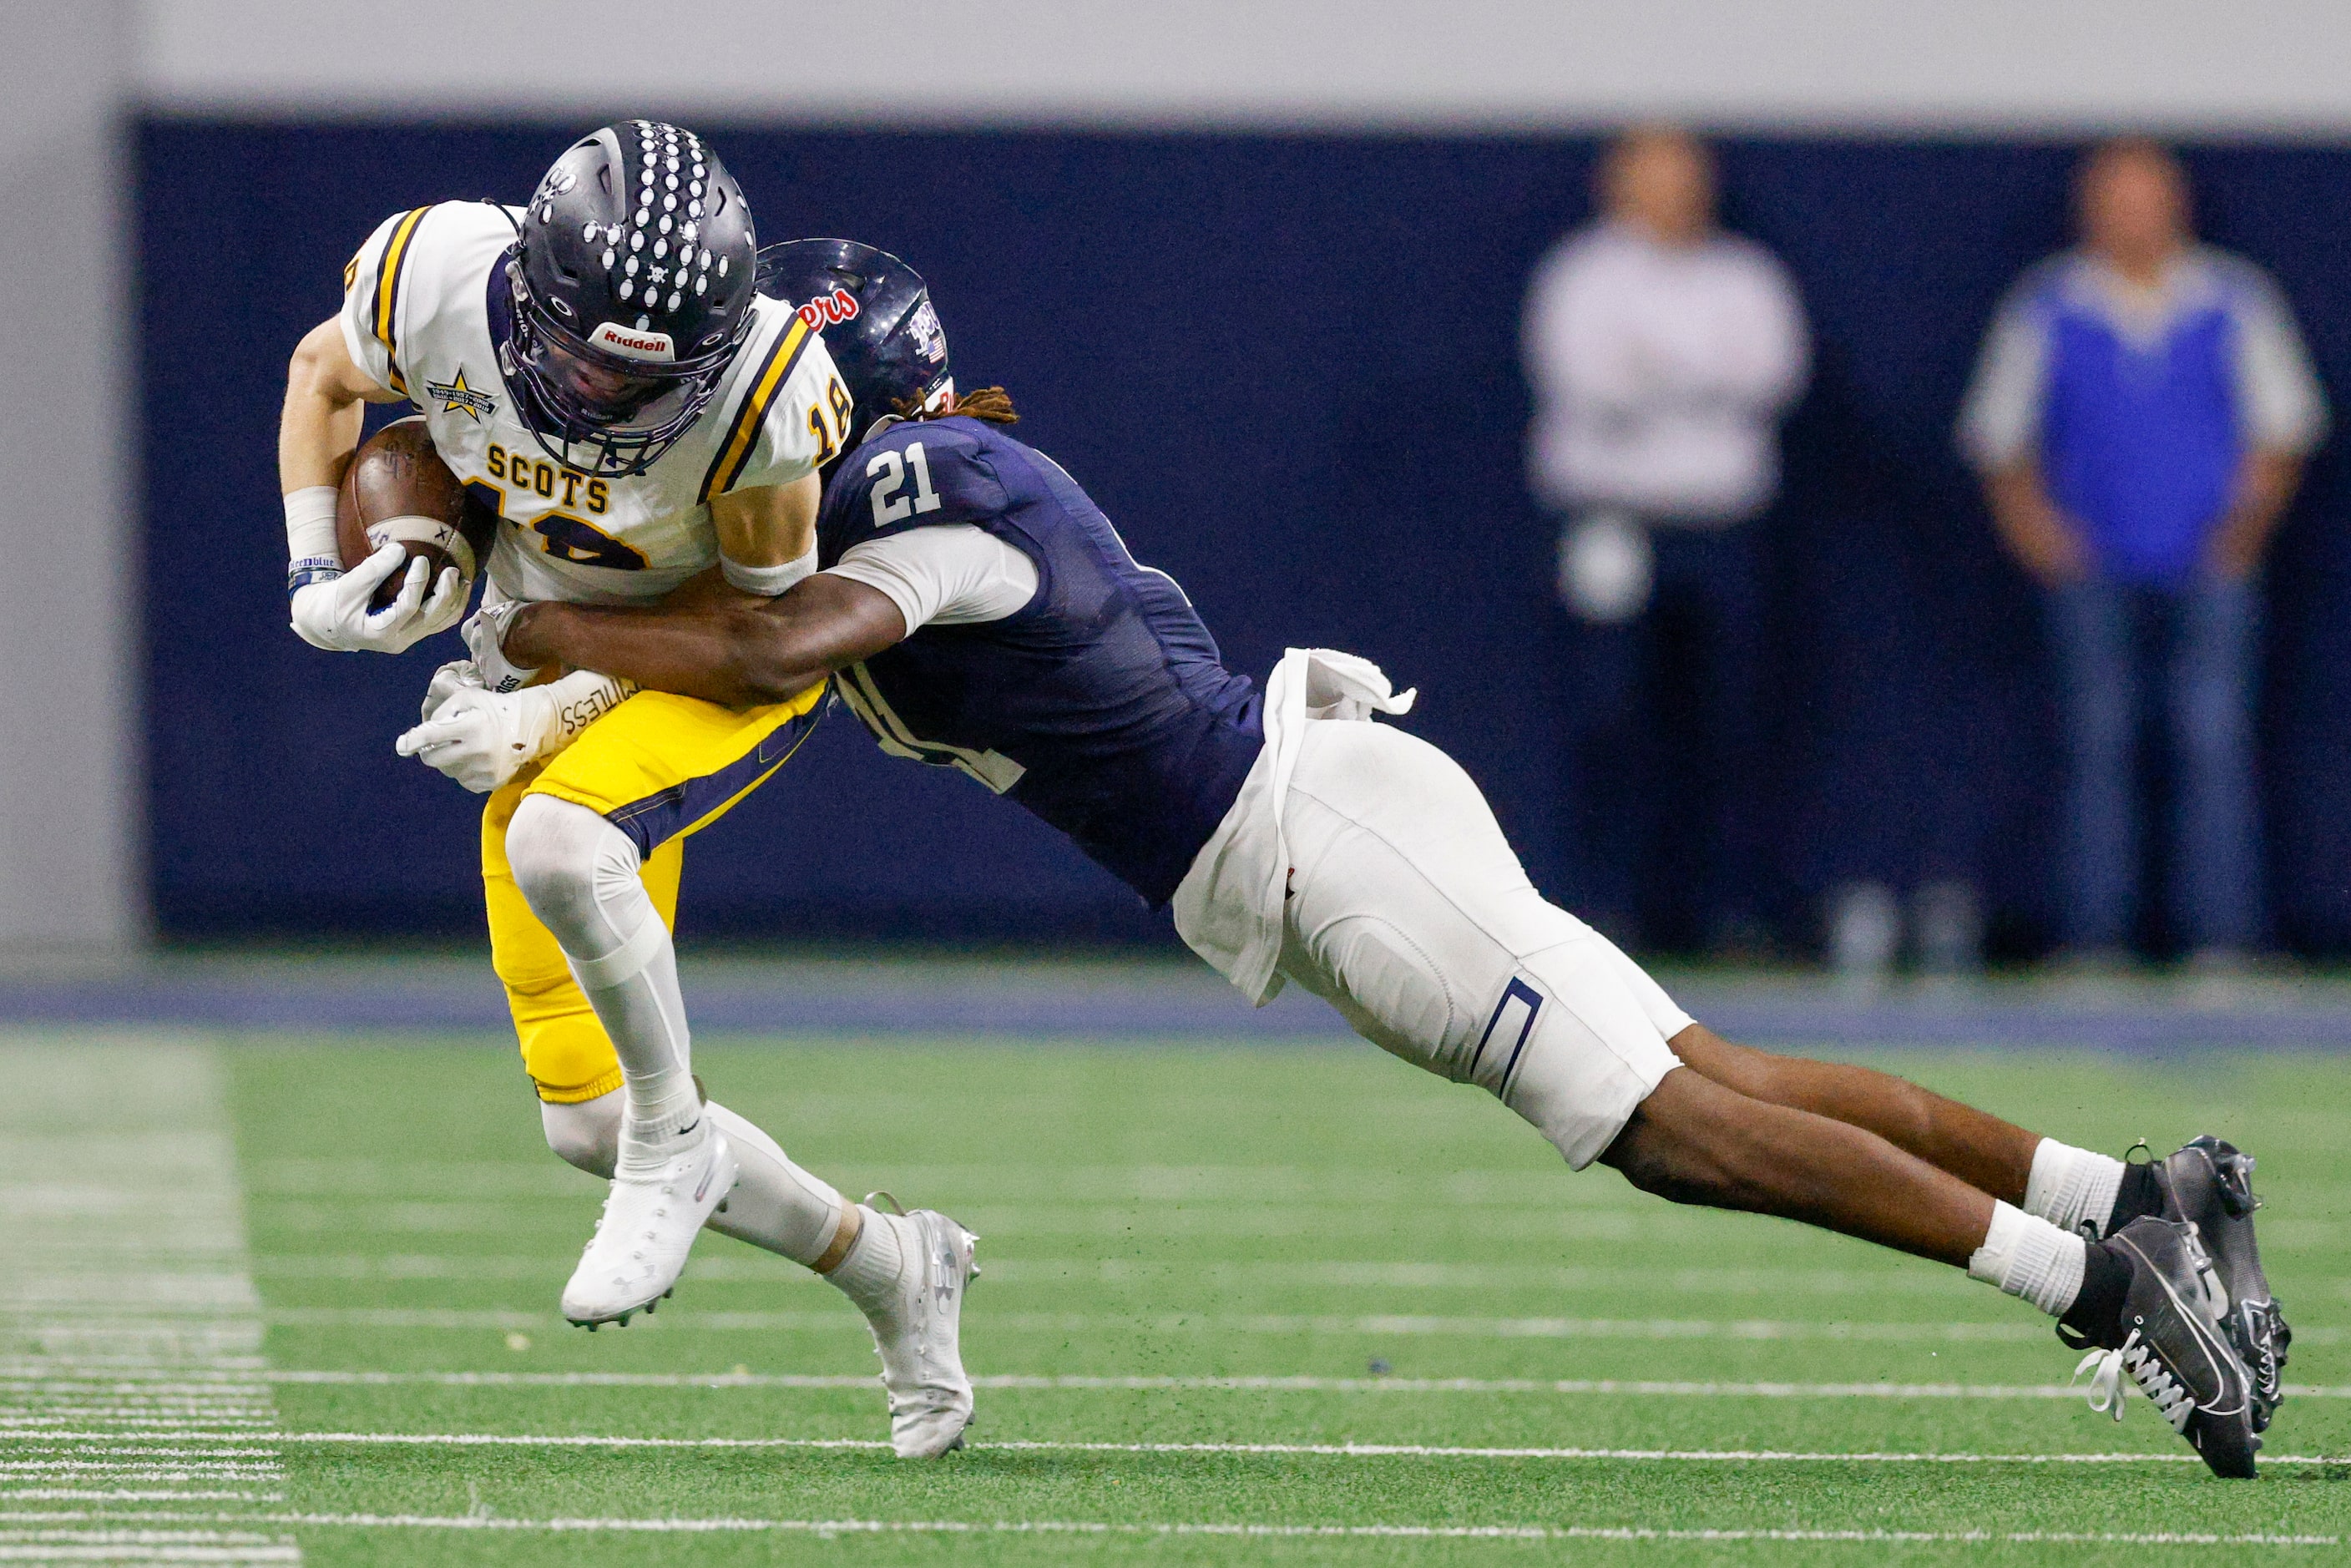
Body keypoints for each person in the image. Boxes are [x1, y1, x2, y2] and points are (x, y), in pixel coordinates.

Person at [435, 240, 2286, 1478]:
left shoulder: (931, 491)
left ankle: (2105, 1292)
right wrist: (543, 697)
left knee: (1669, 1128)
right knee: (1706, 1078)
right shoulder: (863, 500)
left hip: (1314, 843)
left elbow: (761, 654)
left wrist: (534, 651)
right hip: (1308, 836)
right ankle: (2139, 1187)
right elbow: (724, 641)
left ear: (832, 384)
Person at [281, 124, 978, 1459]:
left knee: (560, 832)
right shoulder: (428, 274)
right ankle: (891, 1263)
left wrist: (547, 698)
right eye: (588, 350)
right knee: (584, 1123)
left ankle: (683, 1137)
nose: (606, 391)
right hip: (558, 648)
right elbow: (324, 374)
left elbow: (754, 633)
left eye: (643, 371)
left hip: (700, 673)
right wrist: (320, 571)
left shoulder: (767, 386)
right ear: (533, 293)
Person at [1959, 139, 2327, 970]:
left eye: (2146, 199)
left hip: (2205, 563)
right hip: (2094, 565)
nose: (2131, 217)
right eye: (2114, 200)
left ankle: (2221, 939)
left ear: (2176, 206)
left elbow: (2282, 425)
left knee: (2213, 745)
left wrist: (2238, 531)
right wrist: (2043, 538)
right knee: (2095, 747)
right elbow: (1997, 435)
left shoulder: (2232, 297)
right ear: (2089, 209)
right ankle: (2095, 938)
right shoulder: (2049, 302)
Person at [1521, 128, 1808, 948]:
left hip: (1722, 526)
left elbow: (1768, 378)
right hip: (1610, 523)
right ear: (1616, 185)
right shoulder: (1580, 279)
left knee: (1727, 718)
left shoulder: (1744, 278)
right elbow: (1590, 386)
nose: (1671, 195)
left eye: (1684, 178)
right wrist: (1696, 384)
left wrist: (1660, 378)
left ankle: (1724, 912)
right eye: (1651, 178)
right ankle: (1601, 907)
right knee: (1608, 713)